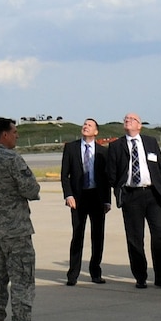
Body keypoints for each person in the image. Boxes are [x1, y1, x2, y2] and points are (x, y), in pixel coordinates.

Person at [0, 117, 55, 321]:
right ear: (5, 135)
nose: (17, 136)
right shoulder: (13, 159)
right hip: (15, 231)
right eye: (14, 132)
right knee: (22, 280)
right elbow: (31, 189)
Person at [105, 113, 161, 289]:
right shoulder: (116, 145)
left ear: (139, 125)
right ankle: (140, 276)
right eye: (126, 119)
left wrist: (160, 187)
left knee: (159, 236)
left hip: (152, 194)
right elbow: (111, 173)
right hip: (131, 195)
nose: (128, 120)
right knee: (135, 238)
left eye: (132, 119)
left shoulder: (150, 142)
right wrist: (121, 189)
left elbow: (160, 167)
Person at [59, 117, 110, 284]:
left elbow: (106, 178)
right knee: (77, 235)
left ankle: (95, 272)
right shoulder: (71, 148)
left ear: (96, 131)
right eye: (84, 124)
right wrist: (68, 195)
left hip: (97, 197)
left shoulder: (103, 151)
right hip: (78, 198)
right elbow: (64, 175)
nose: (85, 126)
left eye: (89, 125)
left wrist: (107, 200)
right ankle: (73, 274)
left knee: (98, 236)